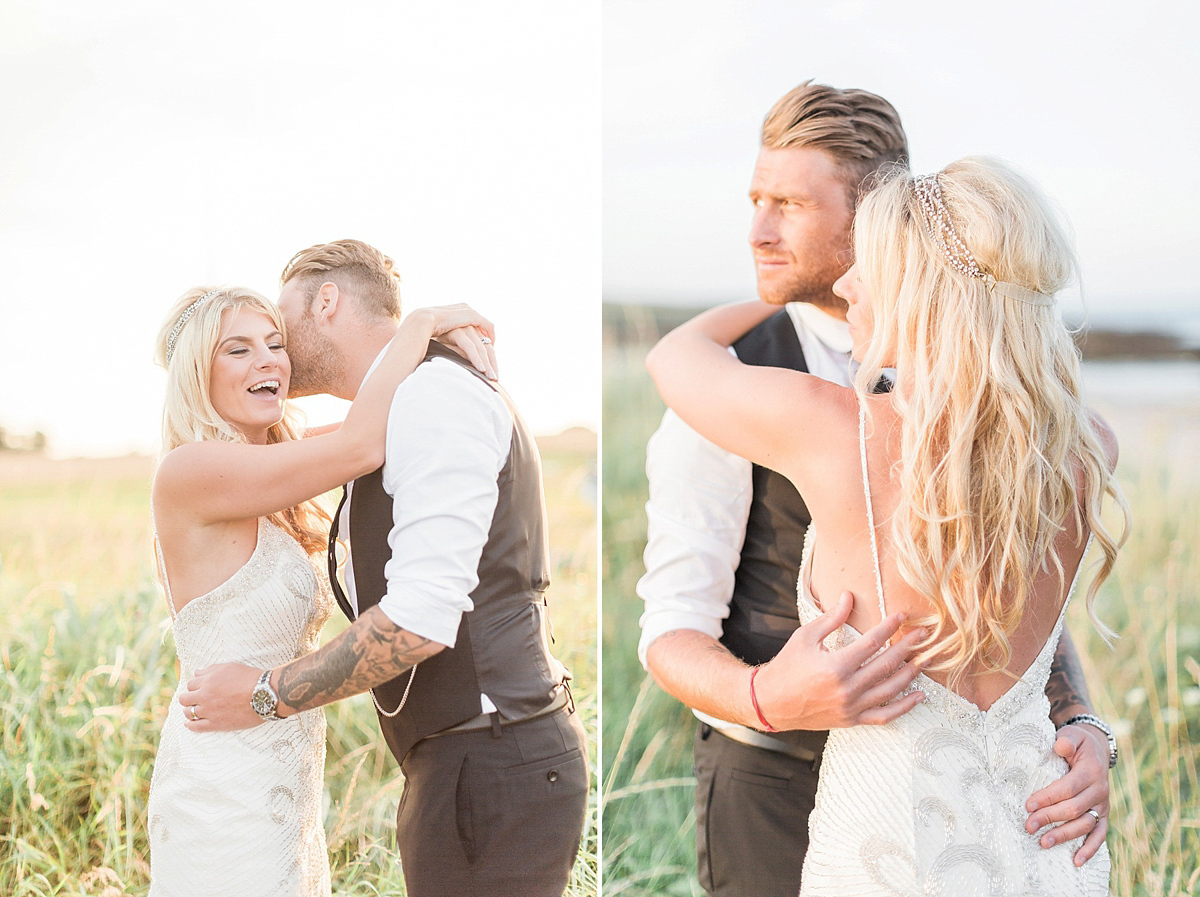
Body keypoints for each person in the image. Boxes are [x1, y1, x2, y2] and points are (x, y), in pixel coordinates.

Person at [637, 82, 1118, 897]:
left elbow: (1031, 622)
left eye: (788, 203)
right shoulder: (1081, 441)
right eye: (755, 200)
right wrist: (764, 696)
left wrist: (1083, 720)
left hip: (907, 833)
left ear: (879, 231)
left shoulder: (826, 422)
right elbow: (669, 624)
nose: (759, 230)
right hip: (793, 783)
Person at [178, 240, 589, 897]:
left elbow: (420, 620)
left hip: (490, 763)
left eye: (279, 327)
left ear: (328, 300)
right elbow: (344, 443)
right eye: (242, 347)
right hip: (464, 765)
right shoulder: (397, 407)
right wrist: (421, 325)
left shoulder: (430, 398)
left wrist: (265, 692)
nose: (275, 350)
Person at [147, 283, 494, 896]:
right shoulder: (192, 470)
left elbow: (390, 419)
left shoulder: (270, 460)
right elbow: (361, 443)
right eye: (239, 350)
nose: (269, 362)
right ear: (197, 372)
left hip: (285, 769)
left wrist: (454, 372)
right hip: (221, 778)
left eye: (276, 344)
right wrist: (420, 323)